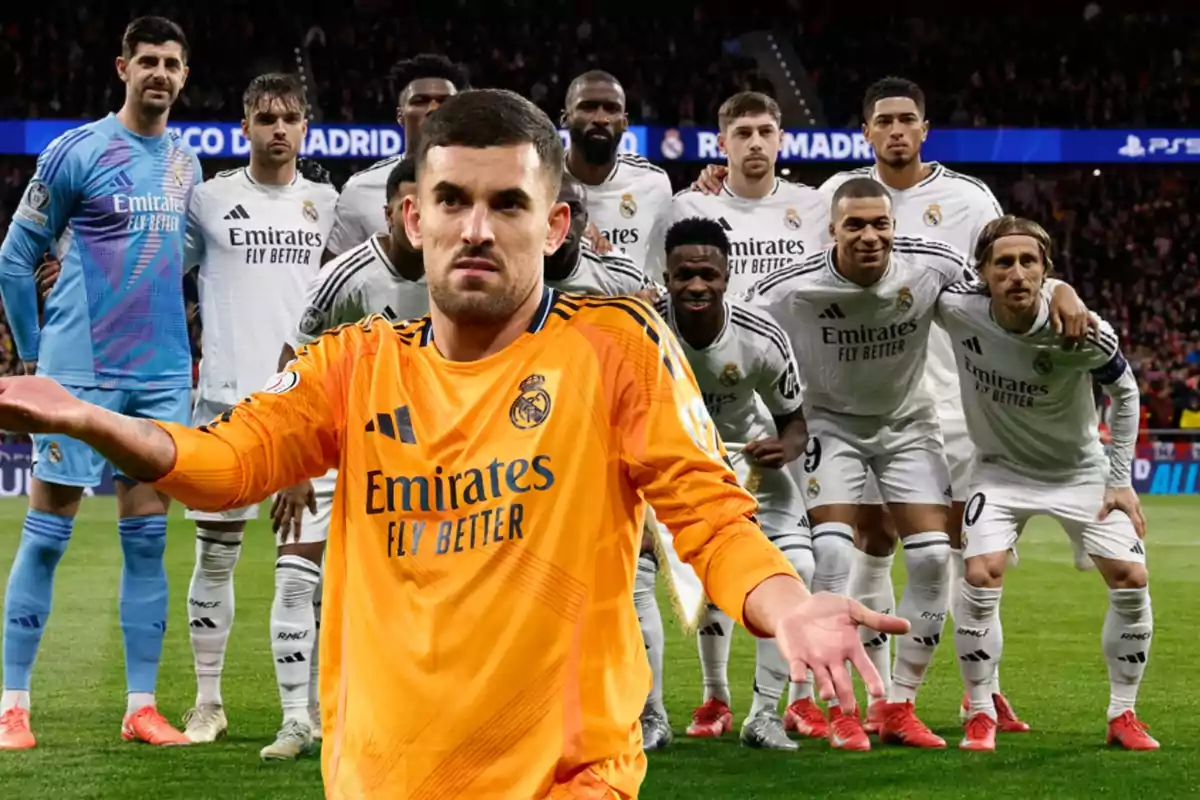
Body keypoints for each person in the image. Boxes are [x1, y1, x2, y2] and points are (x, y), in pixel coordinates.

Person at [0, 88, 906, 798]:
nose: (476, 228)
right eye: (452, 201)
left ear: (555, 228)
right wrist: (88, 418)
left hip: (567, 781)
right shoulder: (353, 364)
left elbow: (707, 511)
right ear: (413, 219)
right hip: (380, 779)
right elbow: (229, 462)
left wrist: (786, 605)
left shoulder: (616, 349)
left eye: (508, 203)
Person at [743, 177, 1091, 752]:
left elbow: (1003, 278)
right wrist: (779, 420)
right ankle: (838, 707)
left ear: (894, 228)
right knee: (831, 553)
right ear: (832, 230)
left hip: (908, 426)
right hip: (832, 425)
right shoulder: (793, 284)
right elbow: (739, 330)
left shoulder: (928, 267)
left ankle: (898, 704)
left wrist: (1059, 288)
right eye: (854, 225)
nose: (869, 235)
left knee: (932, 558)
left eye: (880, 224)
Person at [0, 16, 201, 749]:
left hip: (158, 374)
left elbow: (176, 258)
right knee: (47, 536)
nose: (160, 73)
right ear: (122, 67)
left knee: (148, 543)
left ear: (184, 75)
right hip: (78, 373)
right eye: (147, 59)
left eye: (172, 63)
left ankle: (141, 707)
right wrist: (30, 364)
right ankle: (12, 706)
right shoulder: (74, 151)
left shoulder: (187, 164)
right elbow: (14, 257)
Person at [935, 216, 1156, 752]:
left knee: (1131, 576)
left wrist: (1119, 480)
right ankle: (981, 711)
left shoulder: (1083, 332)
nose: (1016, 274)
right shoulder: (957, 309)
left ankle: (1122, 714)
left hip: (1079, 473)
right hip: (999, 469)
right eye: (1003, 263)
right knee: (981, 574)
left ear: (1045, 270)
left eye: (1029, 263)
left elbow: (1125, 394)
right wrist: (1062, 288)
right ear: (982, 273)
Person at [176, 72, 338, 747]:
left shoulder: (326, 205)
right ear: (243, 123)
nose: (278, 128)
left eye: (290, 117)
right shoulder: (209, 201)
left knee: (300, 573)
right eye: (265, 117)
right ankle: (208, 704)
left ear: (305, 127)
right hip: (223, 412)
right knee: (215, 559)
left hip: (303, 415)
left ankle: (298, 716)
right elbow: (157, 268)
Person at [262, 157, 429, 761]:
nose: (419, 218)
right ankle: (294, 722)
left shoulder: (459, 272)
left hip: (417, 455)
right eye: (407, 207)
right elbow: (293, 364)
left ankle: (393, 715)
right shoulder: (346, 276)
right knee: (294, 574)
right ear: (387, 212)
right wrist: (296, 460)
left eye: (429, 205)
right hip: (334, 442)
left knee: (412, 590)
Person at [654, 217, 813, 751]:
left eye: (707, 274)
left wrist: (784, 449)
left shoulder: (760, 335)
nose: (696, 285)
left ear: (727, 275)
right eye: (683, 275)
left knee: (800, 567)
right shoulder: (642, 330)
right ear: (667, 276)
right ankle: (656, 714)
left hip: (751, 470)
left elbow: (794, 420)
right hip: (669, 475)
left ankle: (764, 715)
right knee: (628, 577)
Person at [672, 92, 830, 298]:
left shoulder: (815, 205)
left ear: (780, 140)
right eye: (743, 133)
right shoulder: (687, 208)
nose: (756, 143)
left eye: (766, 132)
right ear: (722, 144)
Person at [322, 54, 468, 263]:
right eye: (421, 101)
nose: (434, 109)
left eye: (445, 102)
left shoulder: (489, 182)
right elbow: (334, 278)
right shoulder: (361, 190)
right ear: (400, 116)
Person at [562, 70, 672, 274]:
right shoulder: (540, 180)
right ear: (566, 118)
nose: (601, 118)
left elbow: (662, 268)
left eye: (611, 109)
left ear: (624, 122)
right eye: (588, 107)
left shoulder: (653, 184)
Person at [544, 175, 654, 297]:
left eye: (573, 211)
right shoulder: (520, 264)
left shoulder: (615, 271)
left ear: (586, 221)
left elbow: (661, 300)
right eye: (553, 209)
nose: (563, 220)